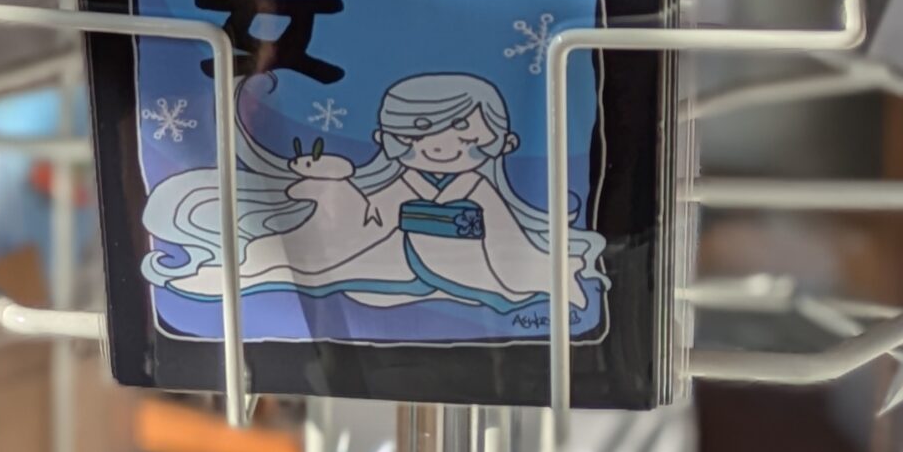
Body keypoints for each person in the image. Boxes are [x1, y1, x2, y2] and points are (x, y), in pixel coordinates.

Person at [141, 70, 603, 317]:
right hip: (393, 264)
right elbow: (369, 221)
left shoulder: (478, 187)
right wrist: (337, 187)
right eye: (420, 137)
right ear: (392, 139)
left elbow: (505, 237)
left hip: (470, 269)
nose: (442, 148)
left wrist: (532, 270)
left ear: (498, 142)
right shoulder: (405, 183)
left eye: (465, 139)